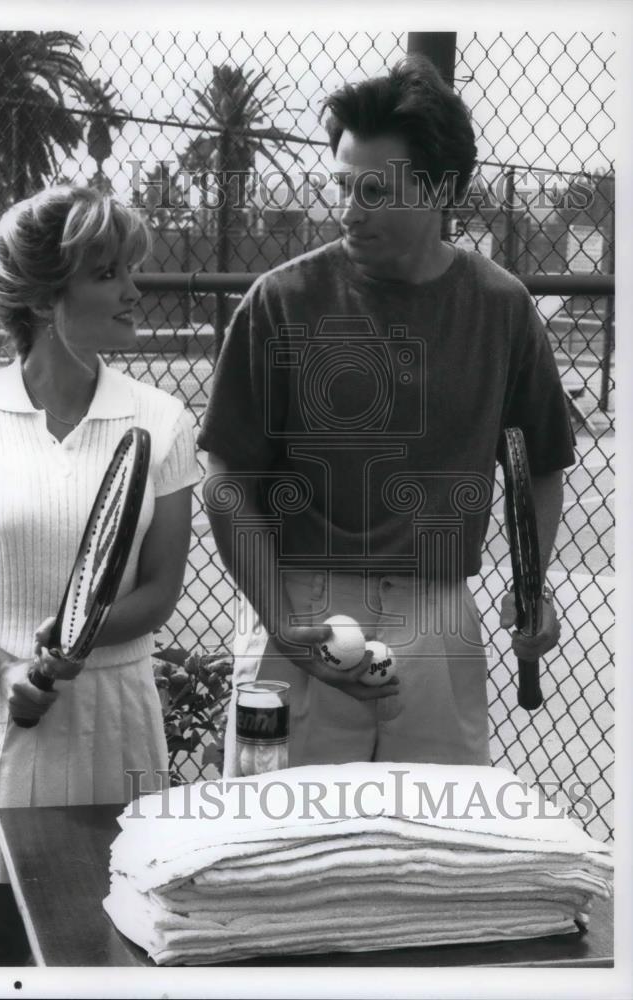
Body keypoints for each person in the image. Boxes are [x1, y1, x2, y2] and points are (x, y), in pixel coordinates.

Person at [198, 56, 574, 773]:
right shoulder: (279, 301)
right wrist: (281, 618)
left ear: (439, 190)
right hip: (300, 607)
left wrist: (534, 585)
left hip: (439, 616)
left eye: (374, 189)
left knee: (433, 855)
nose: (349, 209)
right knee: (280, 854)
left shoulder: (502, 307)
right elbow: (227, 478)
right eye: (343, 185)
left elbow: (540, 467)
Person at [0, 185, 200, 965]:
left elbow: (160, 590)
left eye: (132, 269)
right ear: (43, 295)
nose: (135, 290)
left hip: (117, 719)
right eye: (108, 273)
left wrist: (76, 642)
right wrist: (4, 669)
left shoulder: (162, 421)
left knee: (114, 956)